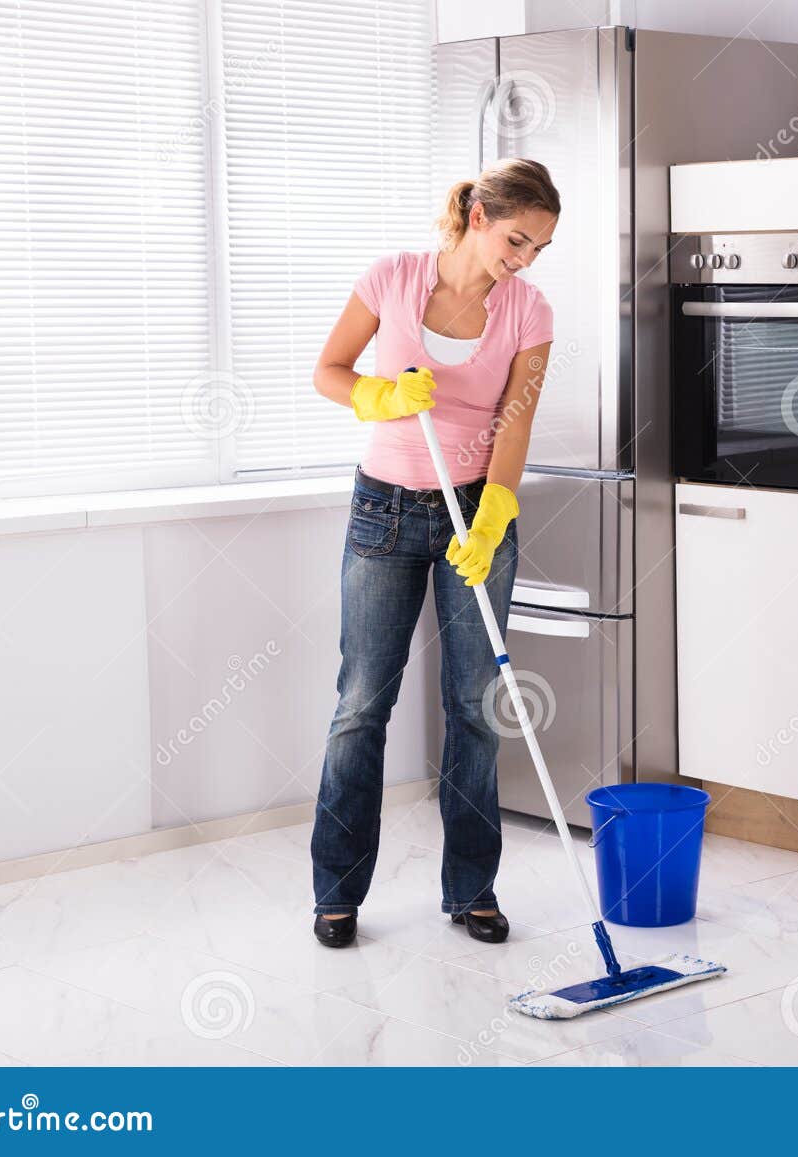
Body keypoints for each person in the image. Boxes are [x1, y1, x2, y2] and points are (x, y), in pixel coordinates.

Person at [308, 158, 560, 948]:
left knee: (476, 708)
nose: (521, 260)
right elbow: (329, 371)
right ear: (478, 218)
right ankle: (337, 893)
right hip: (383, 511)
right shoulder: (393, 279)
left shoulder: (529, 310)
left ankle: (472, 889)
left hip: (475, 514)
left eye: (537, 249)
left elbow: (515, 421)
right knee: (360, 706)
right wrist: (378, 397)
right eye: (515, 240)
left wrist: (493, 517)